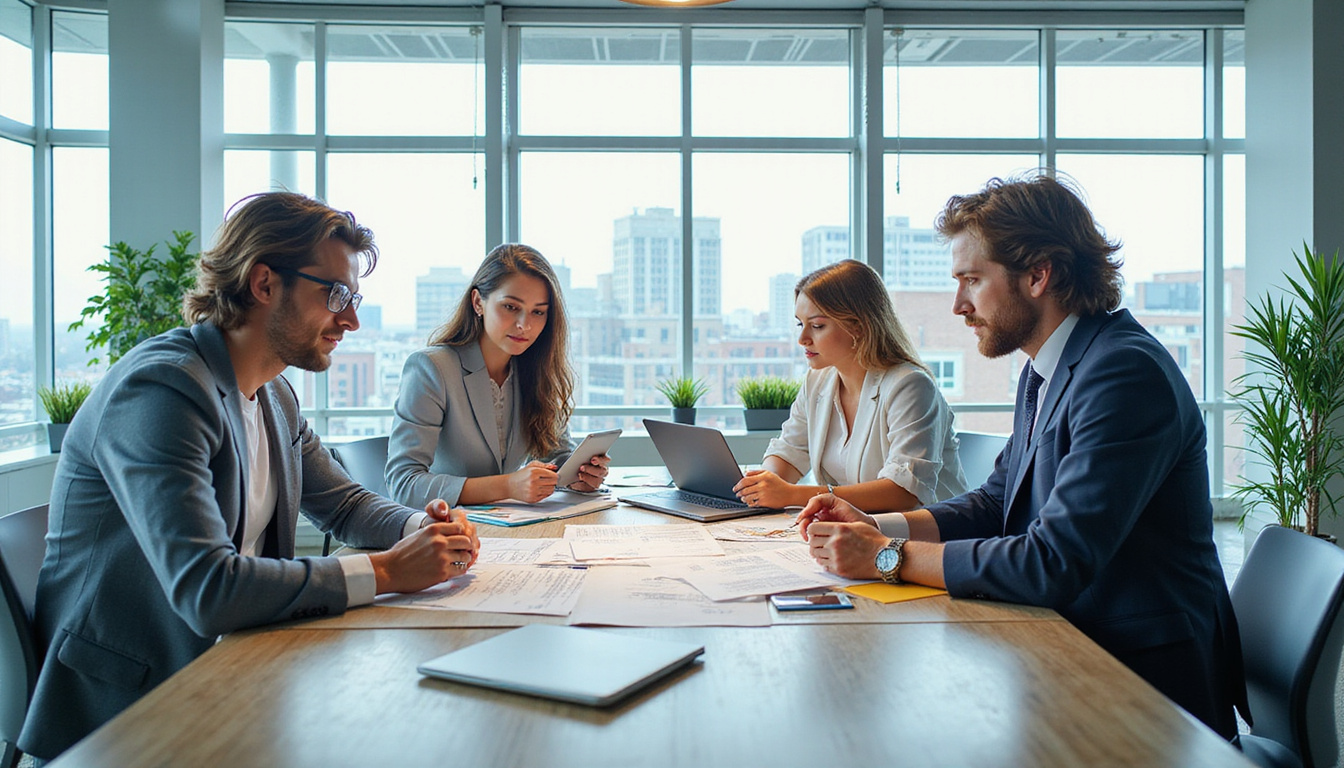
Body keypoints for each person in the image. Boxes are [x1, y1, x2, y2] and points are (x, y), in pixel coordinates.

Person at [19, 192, 481, 762]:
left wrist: (423, 525)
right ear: (264, 283)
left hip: (236, 670)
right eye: (335, 295)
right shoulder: (163, 390)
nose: (352, 320)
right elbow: (208, 590)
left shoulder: (273, 394)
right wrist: (387, 570)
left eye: (353, 298)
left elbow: (344, 505)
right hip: (130, 713)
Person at [797, 174, 1249, 740]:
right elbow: (996, 502)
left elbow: (1051, 561)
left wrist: (888, 557)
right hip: (1066, 643)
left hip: (1142, 685)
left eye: (972, 280)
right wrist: (877, 524)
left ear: (1038, 275)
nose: (959, 305)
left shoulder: (1123, 373)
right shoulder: (1047, 369)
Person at [732, 260, 967, 512]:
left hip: (930, 531)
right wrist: (761, 486)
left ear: (858, 326)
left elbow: (904, 492)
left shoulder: (910, 386)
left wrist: (792, 494)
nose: (802, 339)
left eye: (817, 326)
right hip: (859, 529)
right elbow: (789, 451)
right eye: (801, 324)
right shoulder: (817, 382)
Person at [387, 244, 607, 508]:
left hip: (512, 524)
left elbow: (557, 454)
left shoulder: (538, 371)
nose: (524, 325)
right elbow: (403, 484)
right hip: (446, 525)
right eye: (511, 307)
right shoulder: (432, 368)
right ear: (478, 302)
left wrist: (578, 476)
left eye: (538, 312)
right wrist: (508, 485)